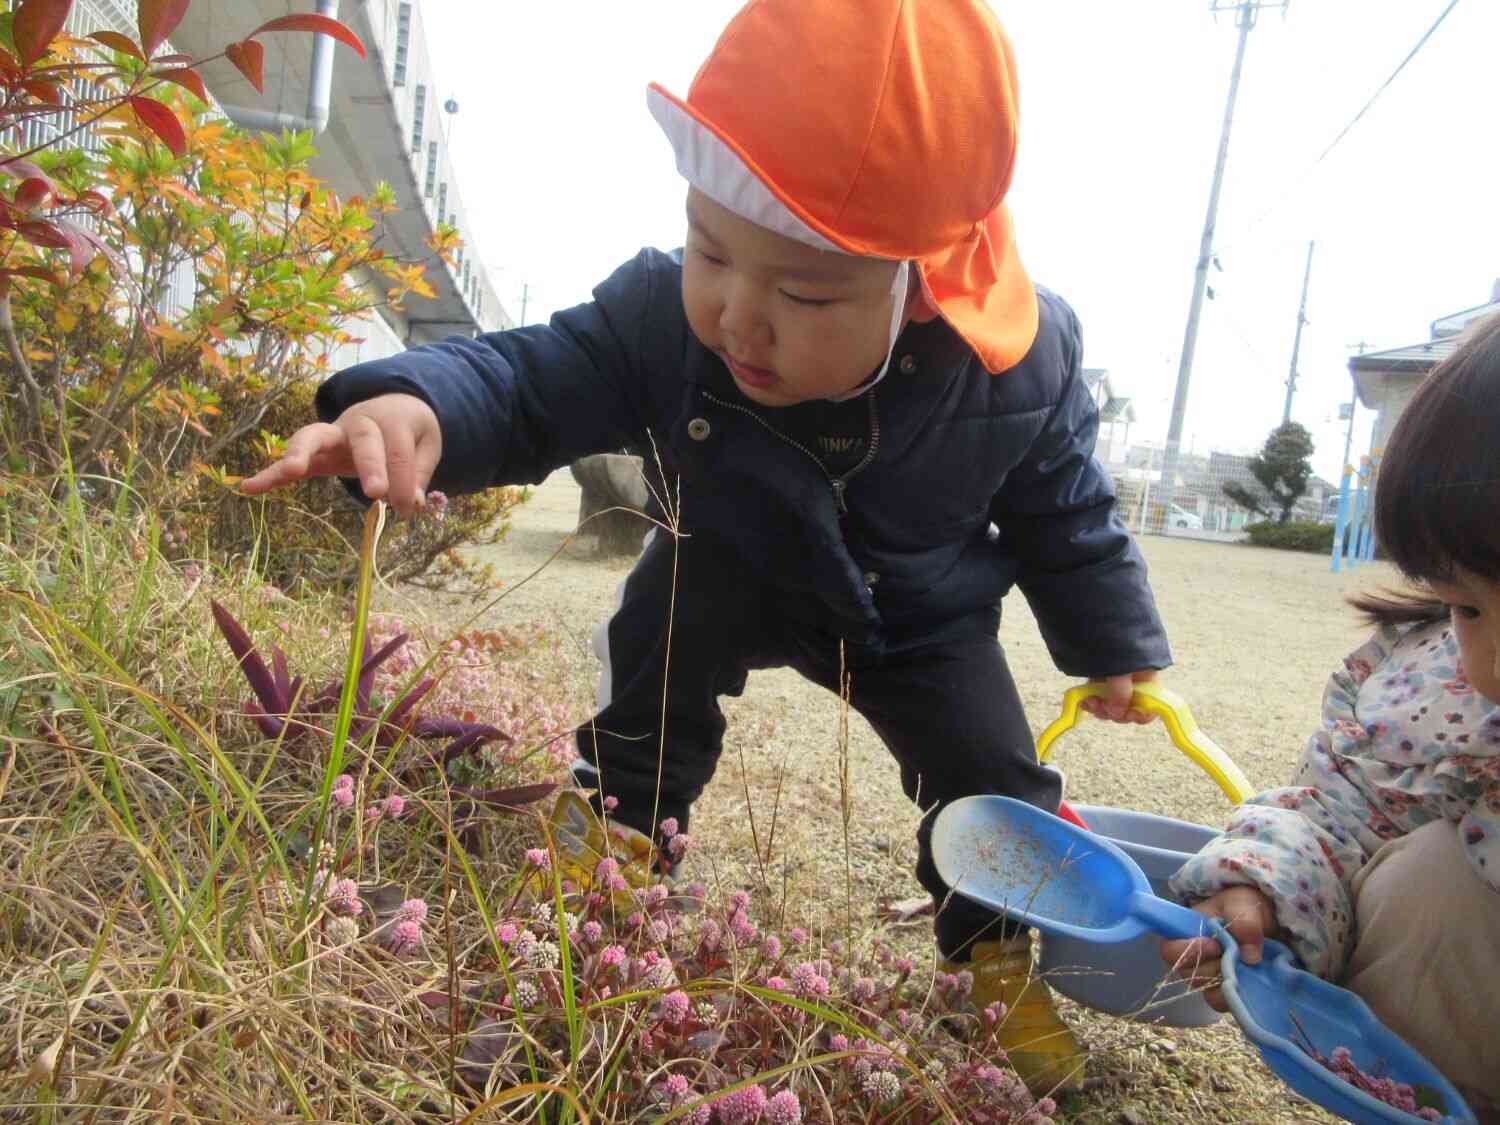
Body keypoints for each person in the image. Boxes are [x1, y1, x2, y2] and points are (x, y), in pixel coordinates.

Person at [243, 0, 1171, 1093]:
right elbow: (536, 376)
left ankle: (993, 955)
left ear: (921, 290)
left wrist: (1113, 640)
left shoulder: (1018, 364)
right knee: (649, 703)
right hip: (719, 565)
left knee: (996, 787)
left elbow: (1067, 506)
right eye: (711, 252)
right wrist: (418, 408)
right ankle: (614, 864)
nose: (738, 315)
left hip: (916, 617)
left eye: (804, 291)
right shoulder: (662, 321)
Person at [1161, 313, 1500, 1116]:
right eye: (1469, 608)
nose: (1489, 660)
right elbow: (1340, 813)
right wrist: (1267, 894)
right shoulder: (1428, 690)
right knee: (1429, 888)